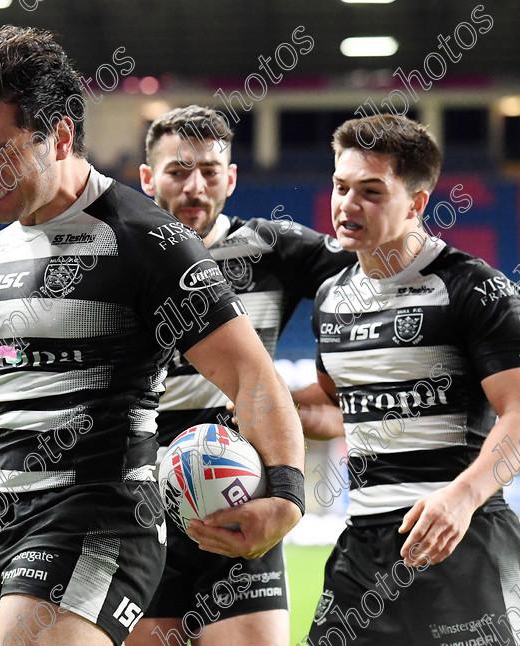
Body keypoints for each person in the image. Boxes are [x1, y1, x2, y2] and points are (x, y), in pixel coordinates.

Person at [0, 27, 306, 646]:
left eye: (0, 151)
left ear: (61, 134)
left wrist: (286, 496)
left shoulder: (146, 240)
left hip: (104, 523)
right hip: (7, 535)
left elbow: (251, 374)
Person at [298, 113, 520, 645]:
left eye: (370, 191)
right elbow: (336, 406)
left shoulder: (476, 288)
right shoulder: (330, 298)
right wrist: (250, 413)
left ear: (416, 204)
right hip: (362, 554)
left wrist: (460, 498)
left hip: (466, 541)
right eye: (341, 186)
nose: (347, 205)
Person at [126, 105, 353, 646]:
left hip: (244, 494)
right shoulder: (120, 258)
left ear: (230, 177)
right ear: (147, 178)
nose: (194, 187)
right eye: (178, 171)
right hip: (142, 507)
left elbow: (370, 269)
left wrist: (334, 373)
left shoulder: (272, 249)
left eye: (210, 171)